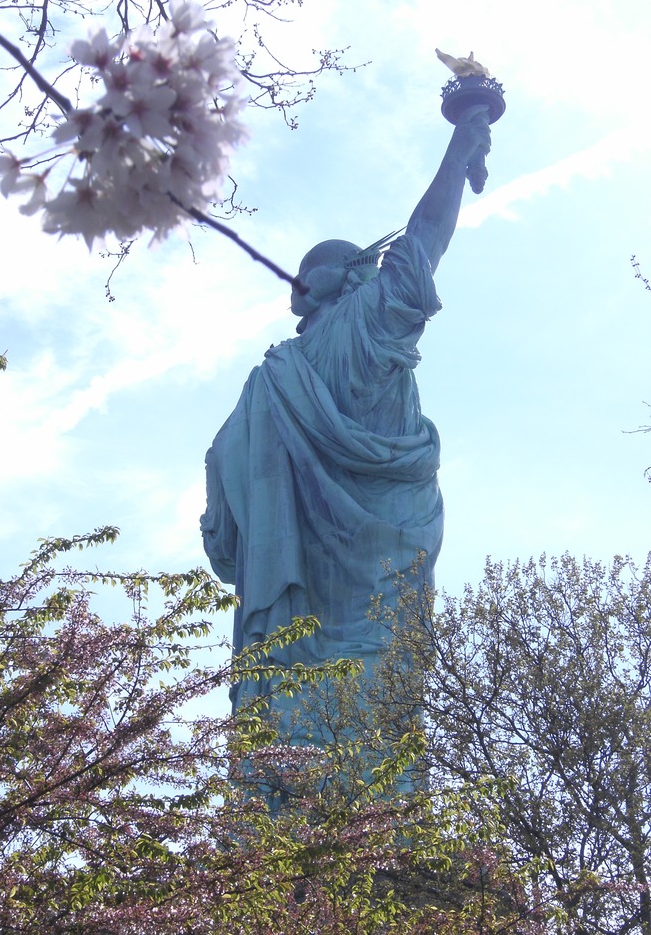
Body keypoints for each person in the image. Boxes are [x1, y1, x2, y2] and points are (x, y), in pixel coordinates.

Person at [201, 107, 492, 721]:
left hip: (316, 607)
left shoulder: (361, 325)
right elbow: (223, 471)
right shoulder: (274, 377)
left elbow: (422, 242)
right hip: (375, 572)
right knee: (378, 747)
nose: (298, 278)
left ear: (347, 274)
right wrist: (463, 146)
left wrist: (458, 148)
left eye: (312, 267)